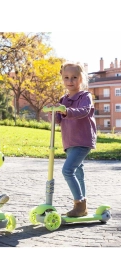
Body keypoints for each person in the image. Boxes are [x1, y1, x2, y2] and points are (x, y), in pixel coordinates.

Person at [54, 62, 97, 217]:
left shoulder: (85, 96)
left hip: (83, 140)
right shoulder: (63, 99)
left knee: (67, 170)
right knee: (78, 172)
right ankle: (82, 207)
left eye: (74, 77)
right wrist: (53, 111)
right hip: (69, 141)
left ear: (81, 78)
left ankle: (79, 204)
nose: (70, 80)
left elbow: (84, 111)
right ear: (62, 79)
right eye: (66, 77)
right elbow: (58, 119)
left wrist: (66, 111)